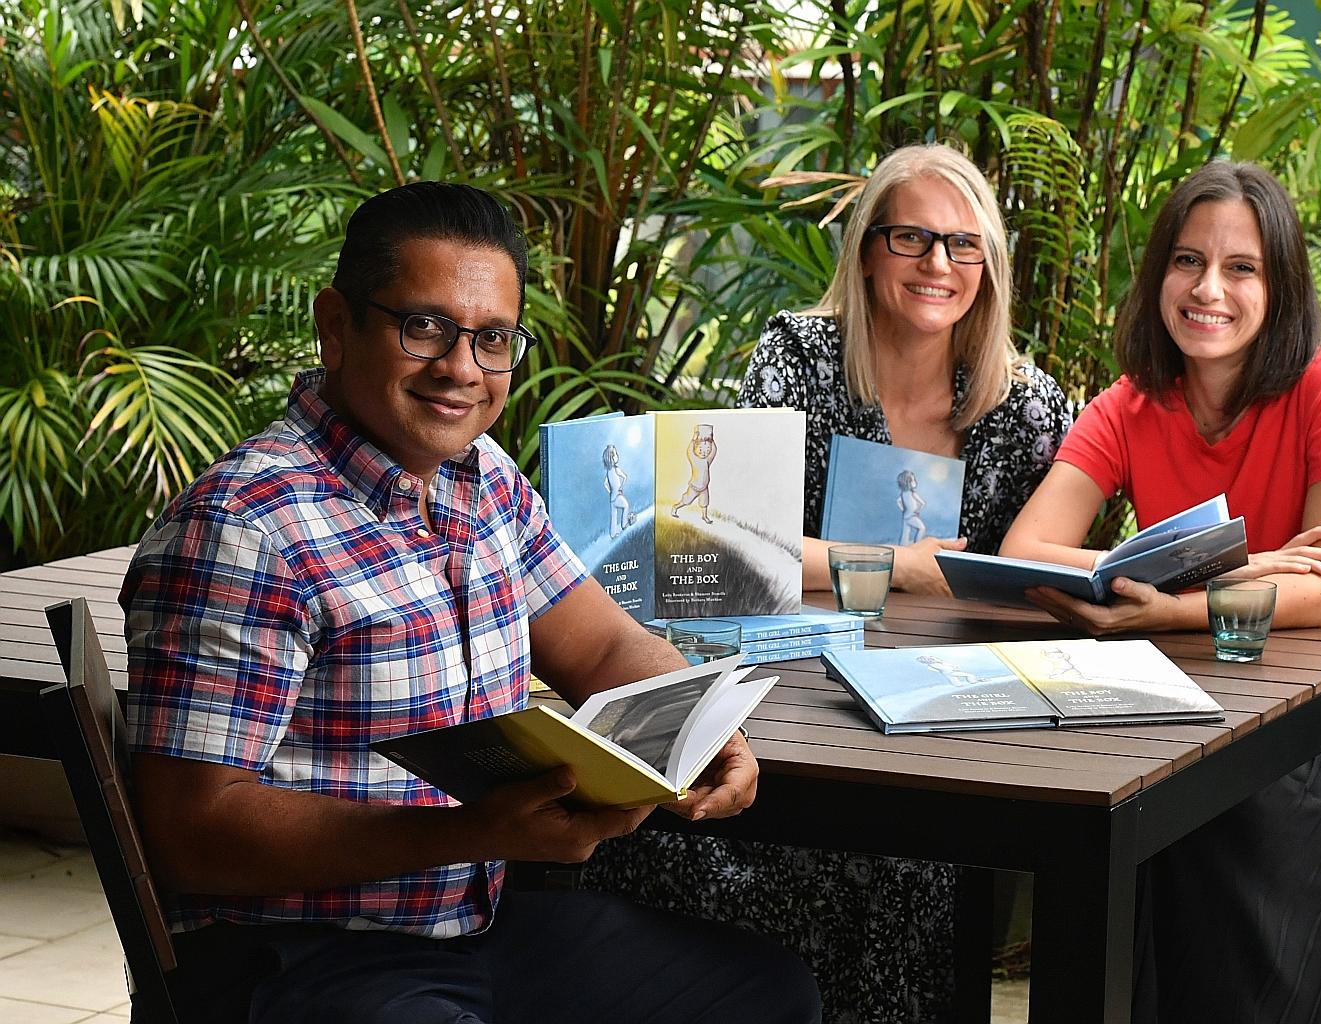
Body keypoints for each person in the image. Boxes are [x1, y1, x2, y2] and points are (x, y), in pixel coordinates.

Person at [119, 181, 821, 1024]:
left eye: (492, 340)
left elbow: (603, 645)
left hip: (474, 924)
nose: (461, 369)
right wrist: (473, 834)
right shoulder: (244, 528)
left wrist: (702, 731)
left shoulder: (482, 480)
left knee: (766, 997)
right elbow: (190, 830)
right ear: (336, 326)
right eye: (425, 328)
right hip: (299, 957)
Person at [584, 143, 1072, 1022]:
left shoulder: (1027, 406)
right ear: (866, 248)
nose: (938, 264)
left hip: (942, 715)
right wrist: (902, 569)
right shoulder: (801, 356)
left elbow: (1040, 570)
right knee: (692, 841)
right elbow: (725, 536)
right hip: (789, 691)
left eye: (965, 245)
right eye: (912, 238)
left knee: (913, 868)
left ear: (991, 268)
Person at [999, 161, 1321, 1024]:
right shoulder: (1131, 403)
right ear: (1158, 273)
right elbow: (1029, 548)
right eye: (1186, 260)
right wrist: (1247, 570)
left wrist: (1172, 604)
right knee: (1115, 821)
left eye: (1242, 267)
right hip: (1194, 703)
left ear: (1280, 286)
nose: (1209, 289)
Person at [602, 443, 629, 538]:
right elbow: (625, 477)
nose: (617, 456)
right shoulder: (616, 469)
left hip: (612, 497)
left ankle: (613, 534)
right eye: (616, 454)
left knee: (614, 515)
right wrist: (621, 487)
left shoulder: (609, 471)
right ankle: (624, 524)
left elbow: (605, 484)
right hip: (617, 495)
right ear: (612, 458)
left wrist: (610, 491)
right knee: (625, 505)